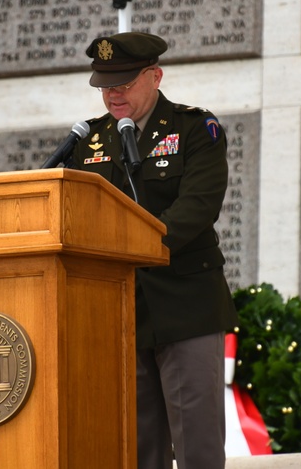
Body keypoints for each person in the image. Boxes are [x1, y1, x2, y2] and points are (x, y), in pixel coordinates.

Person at [67, 32, 238, 469]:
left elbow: (196, 208)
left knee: (197, 445)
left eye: (123, 83)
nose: (113, 94)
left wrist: (130, 249)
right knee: (138, 449)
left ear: (155, 76)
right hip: (120, 310)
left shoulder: (195, 129)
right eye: (105, 85)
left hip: (185, 307)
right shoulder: (89, 140)